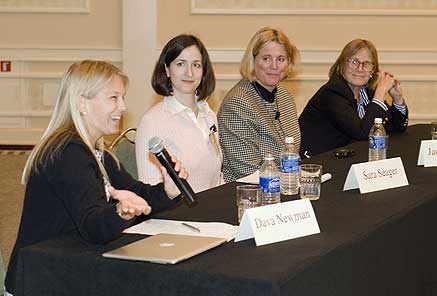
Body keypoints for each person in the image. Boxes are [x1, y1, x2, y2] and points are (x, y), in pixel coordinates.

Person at [4, 60, 187, 295]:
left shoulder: (97, 153)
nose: (122, 107)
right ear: (82, 103)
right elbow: (94, 226)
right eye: (113, 98)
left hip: (63, 267)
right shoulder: (67, 153)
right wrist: (121, 211)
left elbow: (136, 193)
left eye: (123, 97)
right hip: (39, 278)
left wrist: (168, 191)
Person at [136, 34, 222, 193]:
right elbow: (150, 193)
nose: (189, 73)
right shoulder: (152, 122)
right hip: (175, 216)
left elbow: (215, 179)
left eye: (196, 65)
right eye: (181, 64)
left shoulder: (208, 114)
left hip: (212, 211)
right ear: (167, 70)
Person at [217, 27, 301, 182]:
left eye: (281, 59)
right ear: (253, 60)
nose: (274, 66)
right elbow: (246, 170)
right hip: (249, 193)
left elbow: (293, 154)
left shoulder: (284, 96)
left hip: (285, 186)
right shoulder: (237, 103)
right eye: (266, 59)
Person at [299, 39, 408, 156]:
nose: (360, 69)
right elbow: (363, 133)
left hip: (347, 159)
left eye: (366, 64)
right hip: (318, 163)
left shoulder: (368, 94)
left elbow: (396, 128)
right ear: (342, 64)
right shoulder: (332, 93)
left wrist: (397, 99)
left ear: (373, 70)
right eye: (354, 62)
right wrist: (380, 93)